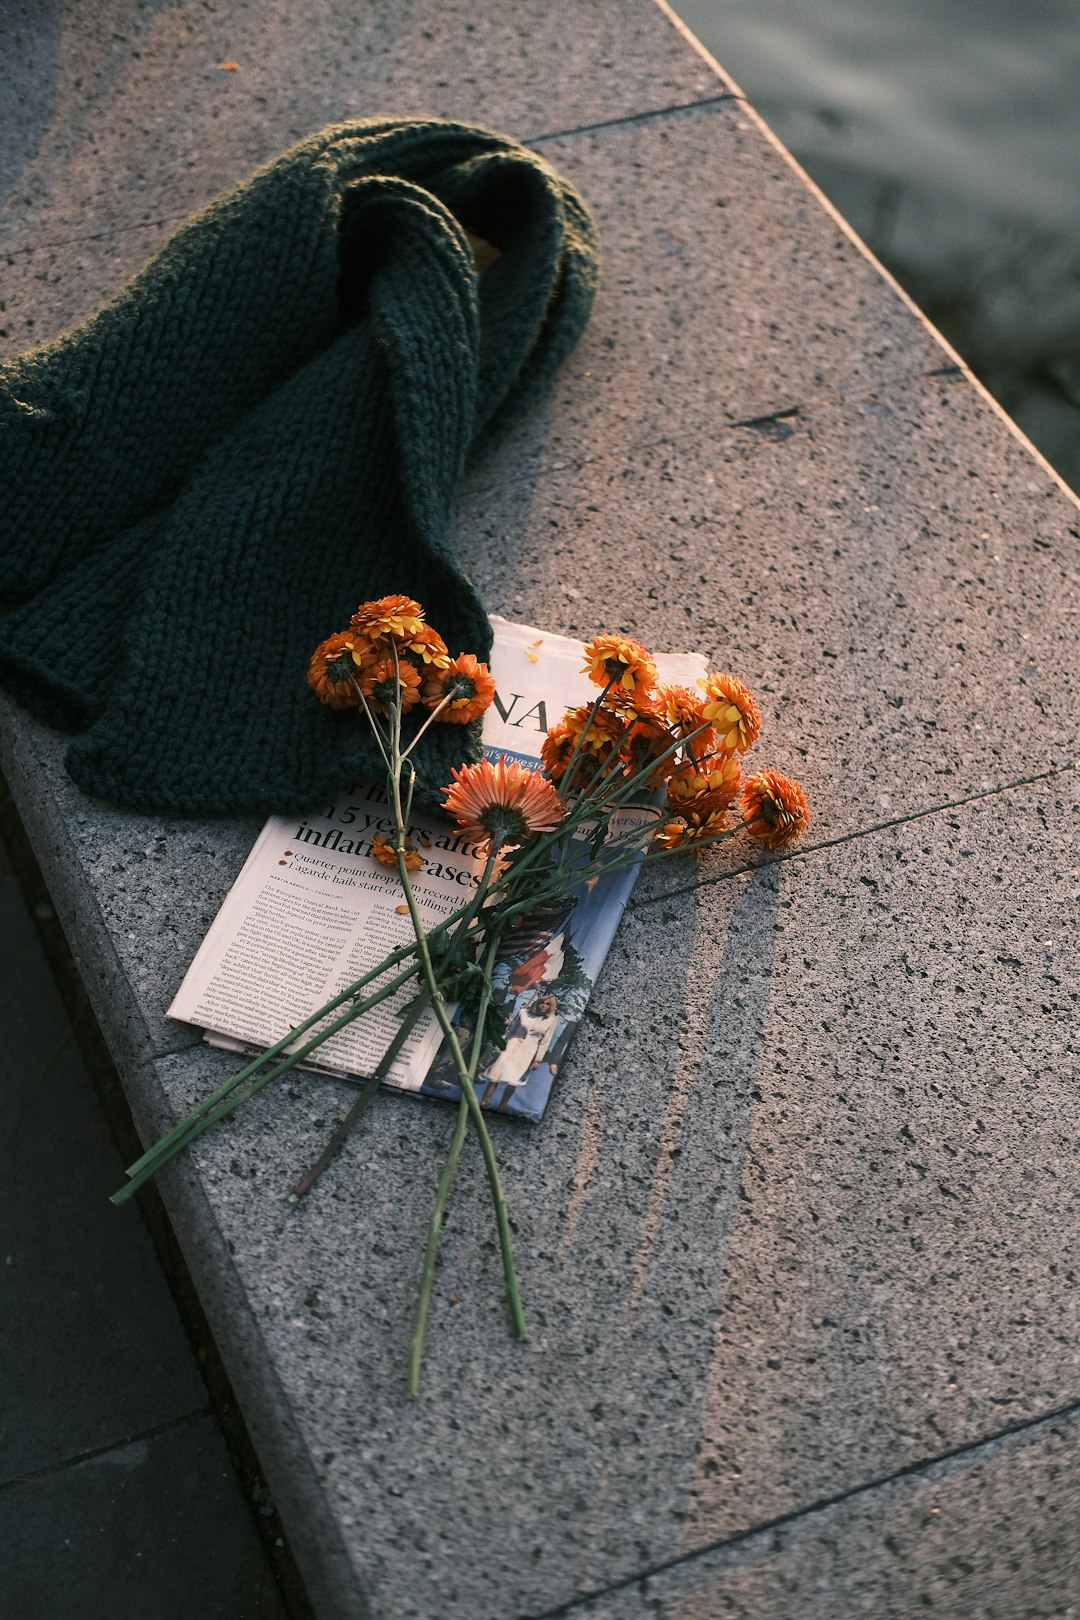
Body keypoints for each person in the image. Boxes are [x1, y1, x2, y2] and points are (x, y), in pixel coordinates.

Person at [479, 992, 559, 1111]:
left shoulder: (551, 1020)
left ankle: (501, 1106)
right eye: (541, 1002)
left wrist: (538, 1059)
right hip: (512, 1045)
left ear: (550, 1007)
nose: (543, 1005)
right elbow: (510, 1030)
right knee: (496, 1072)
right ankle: (484, 1101)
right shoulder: (524, 1013)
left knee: (514, 1080)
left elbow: (545, 1042)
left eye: (547, 1004)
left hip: (529, 1051)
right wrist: (500, 1044)